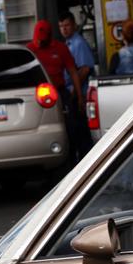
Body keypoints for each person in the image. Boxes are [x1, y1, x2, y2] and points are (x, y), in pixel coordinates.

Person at [57, 11, 96, 160]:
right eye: (61, 26)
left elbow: (85, 69)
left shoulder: (78, 43)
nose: (64, 29)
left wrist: (74, 91)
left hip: (78, 93)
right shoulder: (67, 44)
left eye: (67, 25)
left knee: (81, 133)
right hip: (71, 91)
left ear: (73, 25)